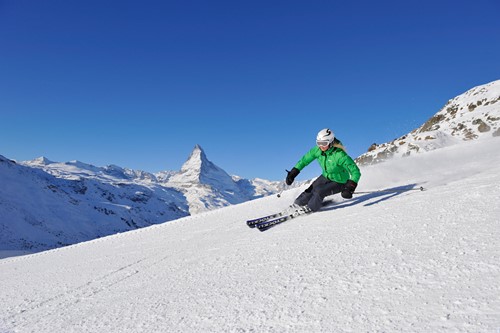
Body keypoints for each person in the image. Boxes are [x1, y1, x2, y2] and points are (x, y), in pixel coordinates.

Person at [285, 128, 361, 212]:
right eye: (319, 143)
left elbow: (355, 172)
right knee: (311, 189)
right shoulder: (317, 150)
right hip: (326, 176)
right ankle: (297, 204)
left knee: (319, 191)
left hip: (340, 181)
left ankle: (310, 208)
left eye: (324, 143)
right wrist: (294, 172)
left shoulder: (340, 155)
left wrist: (350, 187)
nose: (321, 146)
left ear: (331, 142)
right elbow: (304, 160)